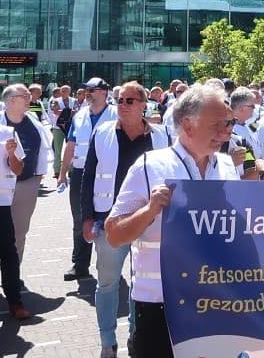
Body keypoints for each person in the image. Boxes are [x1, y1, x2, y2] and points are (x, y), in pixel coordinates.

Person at [105, 84, 239, 358]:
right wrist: (150, 210)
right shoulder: (150, 165)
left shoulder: (226, 165)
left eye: (229, 122)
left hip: (215, 302)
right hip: (160, 305)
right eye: (219, 123)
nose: (227, 131)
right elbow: (114, 235)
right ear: (188, 125)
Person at [80, 81, 170, 358]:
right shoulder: (103, 132)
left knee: (140, 284)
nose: (122, 104)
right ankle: (108, 342)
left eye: (129, 100)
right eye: (119, 99)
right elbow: (88, 175)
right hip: (111, 221)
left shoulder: (161, 135)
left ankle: (135, 335)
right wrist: (85, 217)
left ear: (144, 105)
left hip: (149, 221)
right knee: (107, 283)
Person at [58, 77, 118, 281]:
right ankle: (80, 265)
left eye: (92, 90)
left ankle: (108, 265)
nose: (88, 94)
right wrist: (62, 171)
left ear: (104, 92)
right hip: (81, 174)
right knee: (80, 219)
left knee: (107, 218)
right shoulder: (80, 115)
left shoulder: (116, 114)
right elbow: (71, 144)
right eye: (86, 90)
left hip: (107, 175)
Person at [0, 85, 52, 267]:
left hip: (26, 184)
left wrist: (37, 178)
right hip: (1, 185)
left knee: (20, 232)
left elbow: (44, 149)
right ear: (11, 100)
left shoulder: (33, 121)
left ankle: (12, 272)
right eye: (25, 95)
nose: (30, 98)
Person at [0, 121, 30, 320]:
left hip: (1, 204)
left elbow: (19, 170)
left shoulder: (7, 132)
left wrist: (11, 154)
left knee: (8, 253)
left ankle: (15, 302)